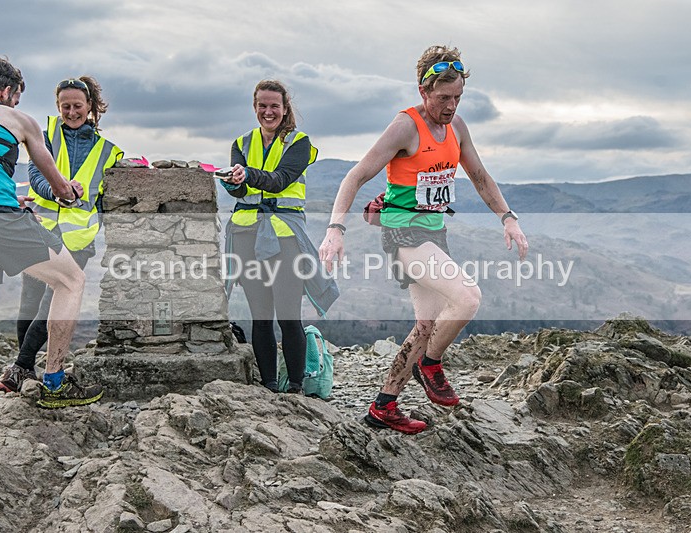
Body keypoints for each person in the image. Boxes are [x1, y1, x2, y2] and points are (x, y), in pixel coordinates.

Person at [319, 45, 529, 434]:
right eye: (443, 98)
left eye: (458, 98)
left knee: (426, 323)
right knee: (467, 297)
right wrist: (336, 229)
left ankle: (383, 406)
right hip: (403, 233)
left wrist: (508, 217)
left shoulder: (457, 128)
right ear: (423, 91)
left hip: (433, 232)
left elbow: (481, 177)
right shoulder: (405, 127)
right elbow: (355, 176)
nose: (451, 106)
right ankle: (430, 364)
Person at [0, 57, 102, 475]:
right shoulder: (19, 119)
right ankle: (54, 381)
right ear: (10, 91)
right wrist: (71, 192)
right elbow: (60, 187)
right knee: (72, 281)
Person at [0, 76, 123, 393]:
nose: (70, 111)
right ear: (58, 106)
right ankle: (26, 368)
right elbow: (38, 176)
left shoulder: (110, 152)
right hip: (39, 229)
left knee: (51, 302)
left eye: (77, 106)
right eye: (65, 106)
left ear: (91, 106)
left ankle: (21, 367)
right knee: (29, 304)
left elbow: (107, 201)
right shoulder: (46, 133)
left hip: (78, 241)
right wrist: (61, 193)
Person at [220, 79, 338, 394]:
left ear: (285, 109)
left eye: (274, 106)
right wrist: (233, 183)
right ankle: (270, 386)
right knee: (260, 316)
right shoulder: (242, 143)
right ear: (254, 107)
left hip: (285, 238)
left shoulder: (299, 142)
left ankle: (296, 387)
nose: (268, 111)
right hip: (247, 235)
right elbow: (243, 190)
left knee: (288, 315)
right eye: (262, 106)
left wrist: (248, 175)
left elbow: (280, 180)